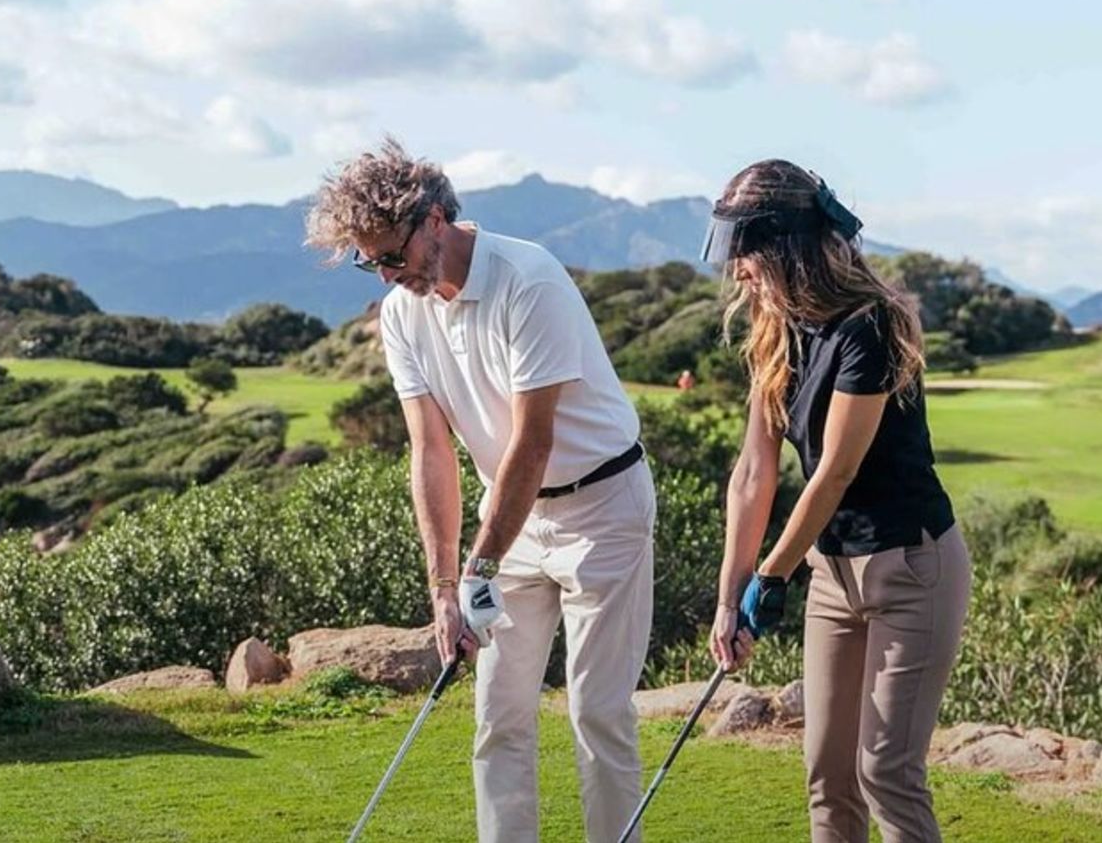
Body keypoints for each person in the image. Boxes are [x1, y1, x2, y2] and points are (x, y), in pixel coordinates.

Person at [305, 138, 656, 843]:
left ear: (434, 219)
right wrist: (444, 584)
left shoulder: (529, 280)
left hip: (602, 508)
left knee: (598, 713)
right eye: (367, 261)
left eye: (390, 255)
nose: (383, 274)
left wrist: (480, 564)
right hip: (513, 519)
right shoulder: (402, 312)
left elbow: (534, 441)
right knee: (499, 715)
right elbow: (430, 450)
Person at [703, 159, 971, 843]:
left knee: (886, 771)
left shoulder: (869, 325)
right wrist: (731, 591)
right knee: (828, 776)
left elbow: (835, 471)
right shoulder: (777, 330)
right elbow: (752, 474)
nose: (737, 271)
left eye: (746, 254)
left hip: (911, 567)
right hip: (833, 574)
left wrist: (772, 574)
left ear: (787, 245)